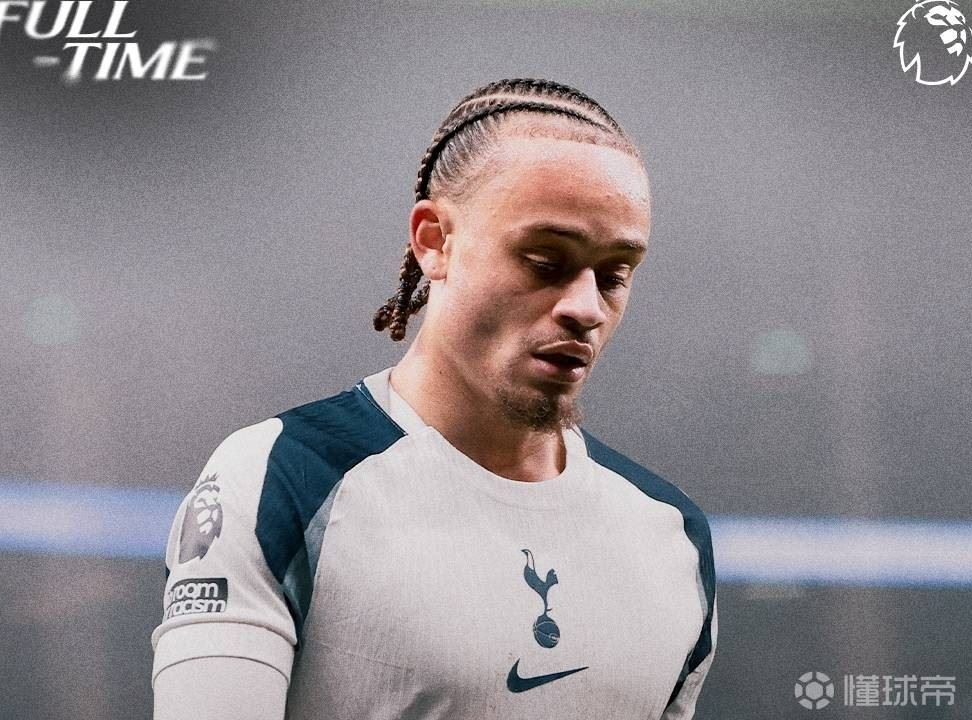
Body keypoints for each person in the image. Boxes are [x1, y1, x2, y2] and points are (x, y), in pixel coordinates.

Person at [151, 77, 717, 720]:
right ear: (433, 241)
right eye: (544, 261)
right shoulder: (280, 478)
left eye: (614, 275)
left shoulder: (672, 535)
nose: (586, 308)